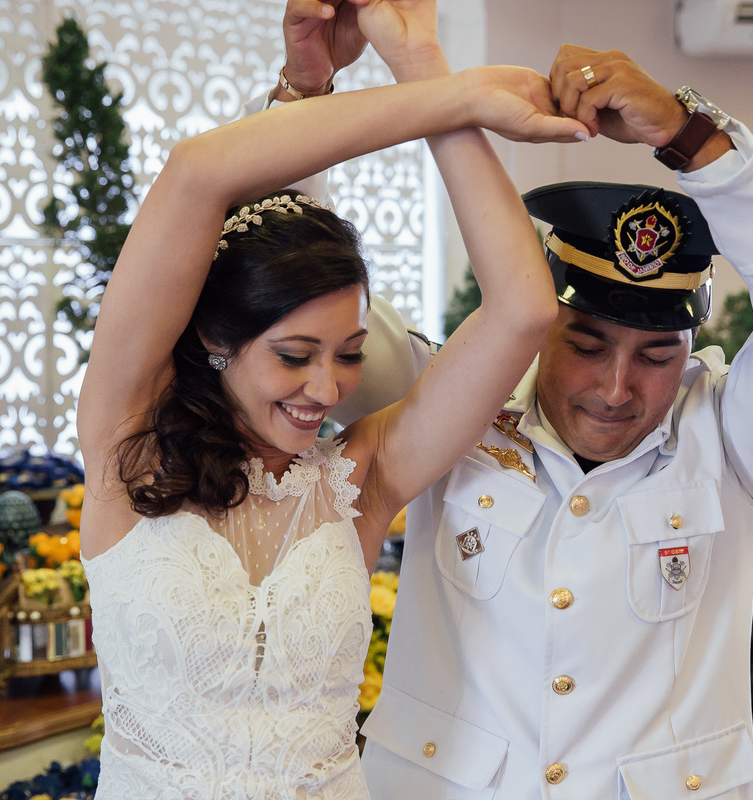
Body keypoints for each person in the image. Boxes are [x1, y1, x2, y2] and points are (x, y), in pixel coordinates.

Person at [271, 2, 753, 796]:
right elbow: (287, 289)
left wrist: (690, 136)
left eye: (657, 355)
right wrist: (306, 93)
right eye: (587, 345)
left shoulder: (735, 442)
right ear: (538, 328)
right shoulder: (447, 402)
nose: (617, 388)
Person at [75, 11, 589, 797]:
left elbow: (524, 309)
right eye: (294, 356)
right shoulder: (125, 442)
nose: (327, 390)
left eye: (349, 355)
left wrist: (429, 73)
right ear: (217, 335)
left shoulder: (361, 477)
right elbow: (197, 172)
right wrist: (461, 98)